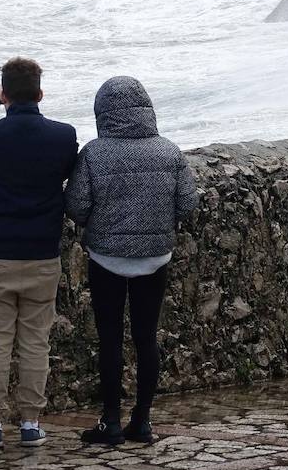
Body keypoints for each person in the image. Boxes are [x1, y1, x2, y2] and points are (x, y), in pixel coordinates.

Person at [0, 58, 78, 449]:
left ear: (5, 94)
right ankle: (30, 423)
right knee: (35, 342)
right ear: (41, 94)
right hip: (42, 256)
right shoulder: (62, 136)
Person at [67, 76, 198, 446]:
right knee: (145, 338)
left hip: (106, 257)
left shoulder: (93, 153)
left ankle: (110, 421)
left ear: (102, 113)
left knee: (110, 339)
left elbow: (77, 206)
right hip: (155, 258)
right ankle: (142, 421)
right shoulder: (169, 151)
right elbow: (188, 203)